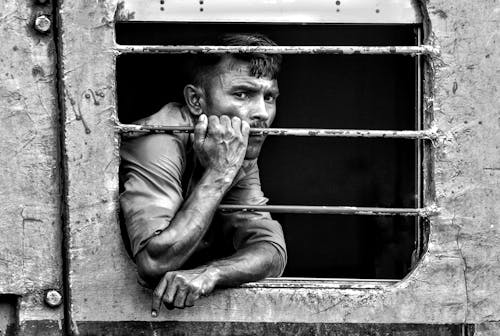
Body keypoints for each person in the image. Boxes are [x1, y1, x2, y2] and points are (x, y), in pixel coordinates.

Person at [119, 33, 287, 315]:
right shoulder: (158, 138)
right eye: (242, 94)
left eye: (269, 97)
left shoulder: (234, 147)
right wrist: (221, 172)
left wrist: (212, 273)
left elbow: (271, 250)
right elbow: (154, 262)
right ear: (195, 101)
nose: (261, 113)